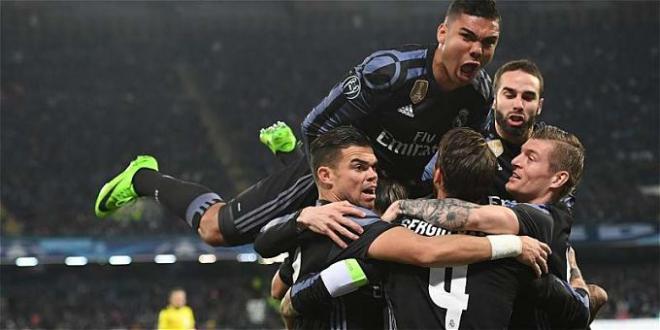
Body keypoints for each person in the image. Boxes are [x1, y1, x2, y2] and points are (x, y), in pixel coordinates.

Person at [93, 0, 501, 248]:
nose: (478, 51)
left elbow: (456, 158)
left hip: (397, 193)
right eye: (467, 37)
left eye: (488, 43)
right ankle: (144, 177)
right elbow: (316, 126)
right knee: (218, 230)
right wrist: (334, 190)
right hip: (339, 180)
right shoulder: (391, 71)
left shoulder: (480, 94)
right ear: (443, 32)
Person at [253, 126, 551, 329]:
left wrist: (299, 297)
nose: (372, 176)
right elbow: (426, 251)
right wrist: (514, 245)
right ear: (326, 176)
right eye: (360, 167)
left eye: (373, 167)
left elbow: (279, 288)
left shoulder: (317, 224)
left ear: (438, 175)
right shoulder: (355, 224)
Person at [383, 125, 607, 328]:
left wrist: (403, 206)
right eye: (520, 153)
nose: (516, 161)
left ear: (558, 179)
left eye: (530, 158)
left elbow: (473, 217)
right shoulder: (516, 242)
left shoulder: (543, 220)